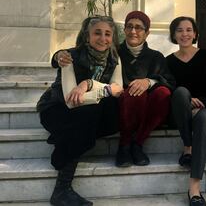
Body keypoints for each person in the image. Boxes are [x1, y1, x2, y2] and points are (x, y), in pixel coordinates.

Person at [37, 16, 123, 206]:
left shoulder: (114, 58)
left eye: (107, 34)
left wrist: (88, 84)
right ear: (87, 36)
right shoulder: (69, 57)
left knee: (109, 110)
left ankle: (62, 138)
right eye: (97, 33)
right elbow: (70, 101)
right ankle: (61, 190)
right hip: (56, 109)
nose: (103, 38)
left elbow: (118, 89)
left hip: (86, 113)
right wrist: (105, 90)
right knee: (87, 113)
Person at [166, 17, 206, 206]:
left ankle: (194, 188)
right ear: (173, 34)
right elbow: (170, 89)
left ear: (195, 34)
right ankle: (188, 145)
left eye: (189, 30)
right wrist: (188, 103)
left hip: (204, 108)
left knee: (203, 120)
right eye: (179, 30)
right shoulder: (168, 61)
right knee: (180, 92)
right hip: (179, 112)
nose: (184, 34)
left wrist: (199, 104)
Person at [115, 11, 175, 167]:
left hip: (149, 110)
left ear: (147, 33)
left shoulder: (156, 57)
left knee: (163, 93)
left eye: (139, 28)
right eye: (129, 26)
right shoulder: (114, 53)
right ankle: (124, 145)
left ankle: (137, 143)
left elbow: (169, 82)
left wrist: (148, 81)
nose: (133, 31)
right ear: (124, 30)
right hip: (122, 106)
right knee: (135, 92)